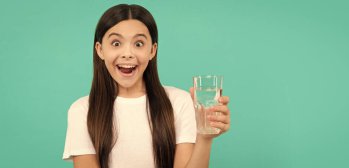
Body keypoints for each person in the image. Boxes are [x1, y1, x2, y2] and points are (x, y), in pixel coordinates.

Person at [63, 4, 231, 168]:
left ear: (152, 50)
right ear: (100, 50)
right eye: (116, 43)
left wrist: (204, 137)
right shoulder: (82, 111)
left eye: (138, 44)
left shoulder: (179, 101)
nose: (127, 54)